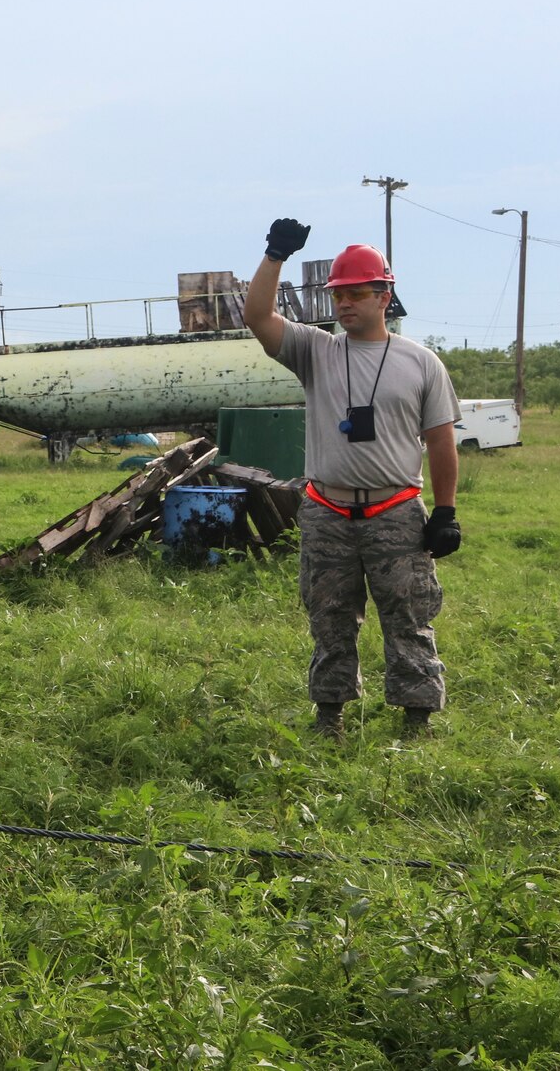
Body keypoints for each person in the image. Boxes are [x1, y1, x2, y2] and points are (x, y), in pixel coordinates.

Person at [242, 219, 463, 739]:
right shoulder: (315, 350)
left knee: (408, 617)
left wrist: (446, 512)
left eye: (356, 293)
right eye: (338, 294)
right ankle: (330, 717)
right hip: (327, 512)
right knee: (329, 619)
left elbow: (440, 441)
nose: (344, 303)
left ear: (384, 295)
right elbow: (257, 317)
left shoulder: (422, 363)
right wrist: (275, 256)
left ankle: (416, 722)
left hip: (395, 513)